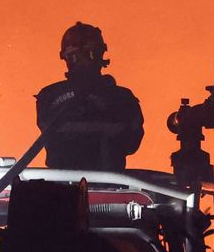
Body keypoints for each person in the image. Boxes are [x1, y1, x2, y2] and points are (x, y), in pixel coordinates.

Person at [35, 22, 144, 170]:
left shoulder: (49, 95)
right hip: (108, 183)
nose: (83, 61)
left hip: (65, 186)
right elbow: (131, 143)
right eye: (76, 57)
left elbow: (131, 142)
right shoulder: (122, 97)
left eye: (88, 55)